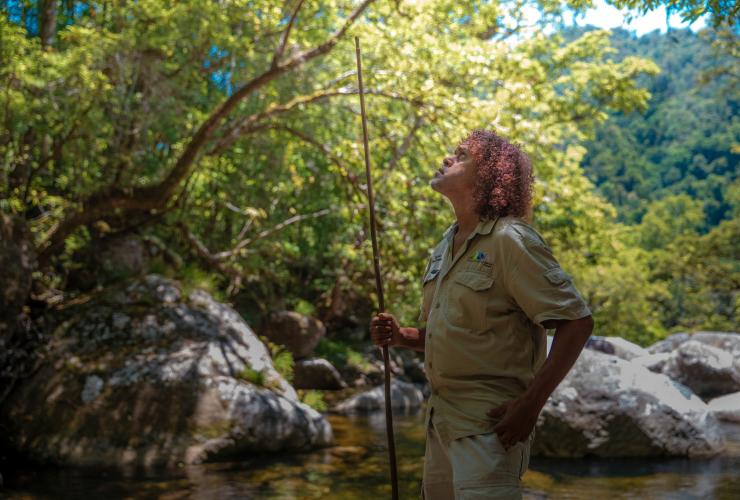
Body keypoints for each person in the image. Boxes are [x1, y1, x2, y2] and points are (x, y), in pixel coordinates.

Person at [370, 129, 594, 499]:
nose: (447, 159)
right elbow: (460, 334)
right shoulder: (446, 243)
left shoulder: (510, 239)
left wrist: (530, 406)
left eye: (460, 156)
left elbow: (577, 323)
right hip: (440, 424)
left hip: (488, 428)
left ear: (489, 173)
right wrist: (402, 336)